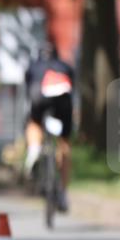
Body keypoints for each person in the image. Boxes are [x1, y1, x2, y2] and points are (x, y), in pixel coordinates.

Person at [23, 42, 75, 212]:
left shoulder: (33, 66)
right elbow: (73, 88)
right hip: (63, 98)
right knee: (64, 142)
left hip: (39, 94)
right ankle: (64, 192)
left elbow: (27, 91)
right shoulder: (65, 66)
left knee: (34, 124)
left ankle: (34, 150)